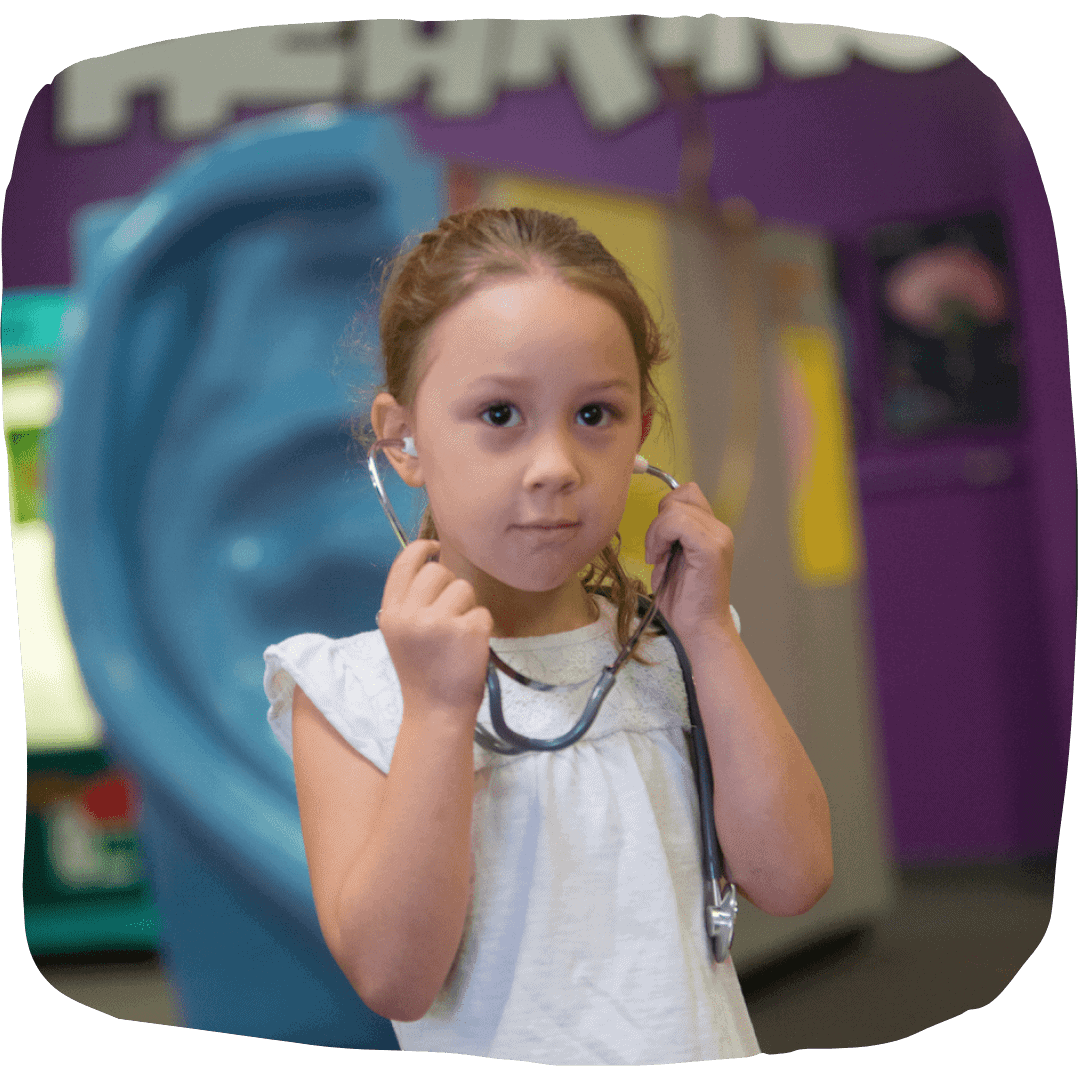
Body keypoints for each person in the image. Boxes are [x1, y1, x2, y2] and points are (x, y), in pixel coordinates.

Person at [263, 207, 833, 1065]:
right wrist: (437, 710)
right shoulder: (351, 691)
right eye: (499, 415)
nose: (557, 465)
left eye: (595, 415)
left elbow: (793, 877)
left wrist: (710, 631)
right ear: (403, 438)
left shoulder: (680, 650)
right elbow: (395, 977)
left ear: (643, 430)